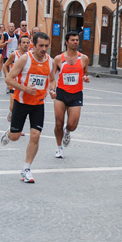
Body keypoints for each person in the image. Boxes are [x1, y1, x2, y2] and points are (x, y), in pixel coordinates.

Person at [2, 32, 56, 184]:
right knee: (15, 136)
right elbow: (9, 79)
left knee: (35, 135)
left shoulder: (50, 62)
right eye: (41, 46)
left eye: (46, 46)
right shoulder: (25, 59)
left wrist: (52, 90)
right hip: (21, 101)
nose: (44, 49)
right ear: (34, 45)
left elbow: (52, 79)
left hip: (38, 104)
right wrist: (25, 88)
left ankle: (26, 168)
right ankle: (9, 133)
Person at [52, 31, 90, 159]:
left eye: (77, 40)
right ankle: (59, 148)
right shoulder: (58, 59)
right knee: (58, 123)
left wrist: (85, 77)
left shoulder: (84, 58)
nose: (75, 42)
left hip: (76, 94)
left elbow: (85, 72)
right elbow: (52, 77)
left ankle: (67, 131)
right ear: (67, 42)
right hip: (61, 93)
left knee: (73, 125)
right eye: (73, 40)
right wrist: (52, 90)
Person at [2, 35, 30, 126]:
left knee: (22, 107)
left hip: (24, 84)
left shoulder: (30, 56)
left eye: (27, 43)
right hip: (14, 84)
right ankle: (13, 122)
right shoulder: (14, 55)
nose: (26, 45)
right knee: (13, 106)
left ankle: (17, 126)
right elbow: (5, 65)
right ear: (19, 44)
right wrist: (7, 76)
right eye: (24, 43)